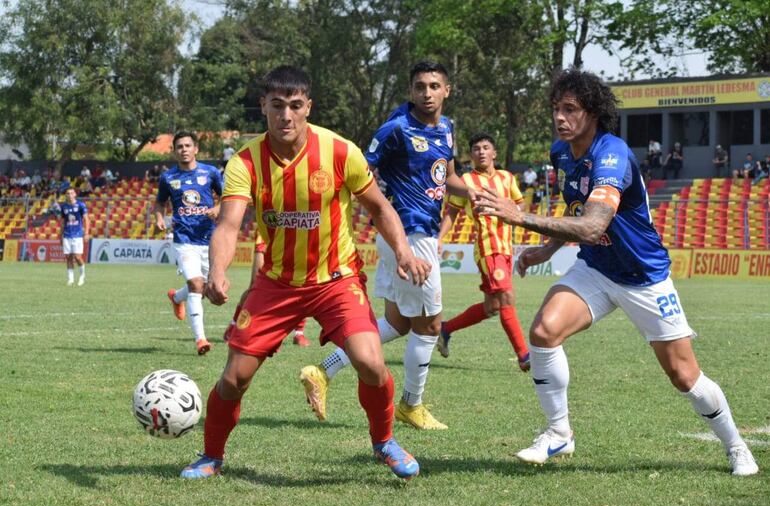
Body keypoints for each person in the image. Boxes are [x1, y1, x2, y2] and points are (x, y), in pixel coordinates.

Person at [472, 69, 758, 476]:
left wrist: (519, 218)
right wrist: (546, 250)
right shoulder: (561, 152)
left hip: (644, 276)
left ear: (593, 113)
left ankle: (736, 445)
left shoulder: (612, 154)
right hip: (597, 268)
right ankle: (558, 433)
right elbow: (577, 210)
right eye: (556, 108)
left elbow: (592, 226)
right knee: (543, 332)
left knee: (683, 375)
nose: (560, 117)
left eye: (570, 109)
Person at [180, 65, 429, 481]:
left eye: (296, 106)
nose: (286, 116)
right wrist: (219, 271)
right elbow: (228, 225)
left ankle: (384, 441)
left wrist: (403, 251)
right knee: (234, 378)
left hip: (337, 279)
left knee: (370, 362)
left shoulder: (339, 151)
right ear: (263, 106)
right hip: (276, 284)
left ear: (308, 107)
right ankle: (210, 455)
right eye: (277, 106)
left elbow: (381, 208)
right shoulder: (245, 162)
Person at [298, 61, 469, 430]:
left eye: (434, 86)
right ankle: (411, 404)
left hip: (412, 234)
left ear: (447, 90)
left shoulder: (447, 128)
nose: (427, 93)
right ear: (411, 91)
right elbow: (358, 169)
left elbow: (449, 176)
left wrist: (476, 195)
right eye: (420, 86)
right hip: (409, 234)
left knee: (397, 323)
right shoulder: (396, 129)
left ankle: (323, 371)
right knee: (429, 327)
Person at [436, 133, 530, 370]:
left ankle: (445, 329)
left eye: (485, 147)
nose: (481, 151)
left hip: (507, 249)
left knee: (492, 307)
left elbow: (520, 206)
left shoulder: (507, 178)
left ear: (494, 153)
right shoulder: (465, 181)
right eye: (476, 148)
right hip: (488, 250)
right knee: (507, 298)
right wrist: (439, 238)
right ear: (471, 155)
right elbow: (452, 212)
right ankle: (525, 356)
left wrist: (510, 206)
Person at [153, 130, 222, 356]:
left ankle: (176, 297)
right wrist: (160, 218)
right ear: (174, 151)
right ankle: (200, 339)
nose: (183, 149)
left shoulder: (210, 173)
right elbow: (160, 203)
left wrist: (218, 208)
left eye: (187, 145)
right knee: (195, 284)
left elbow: (228, 197)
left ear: (196, 149)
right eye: (179, 146)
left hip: (209, 239)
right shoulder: (168, 178)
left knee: (204, 289)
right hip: (183, 239)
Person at [223, 233, 310, 347]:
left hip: (294, 233)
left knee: (301, 285)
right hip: (267, 233)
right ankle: (234, 324)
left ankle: (299, 333)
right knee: (255, 286)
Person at [54, 187, 90, 286]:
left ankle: (82, 276)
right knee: (68, 257)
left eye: (71, 193)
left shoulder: (80, 205)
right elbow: (62, 222)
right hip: (66, 235)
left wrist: (86, 233)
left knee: (78, 257)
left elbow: (86, 220)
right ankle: (71, 279)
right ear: (66, 195)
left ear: (75, 194)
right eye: (68, 193)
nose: (69, 195)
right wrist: (60, 235)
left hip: (77, 234)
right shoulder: (64, 207)